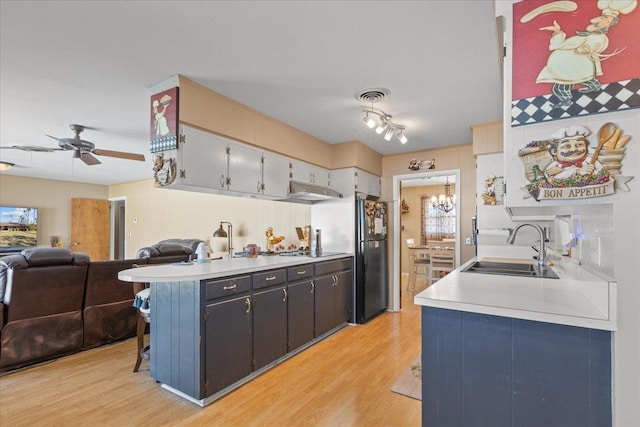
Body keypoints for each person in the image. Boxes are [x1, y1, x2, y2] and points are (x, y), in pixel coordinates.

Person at [536, 0, 637, 108]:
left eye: (604, 19)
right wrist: (558, 32)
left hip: (573, 66)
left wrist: (583, 48)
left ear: (607, 24)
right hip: (569, 66)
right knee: (569, 82)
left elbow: (561, 45)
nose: (595, 21)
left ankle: (572, 97)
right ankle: (582, 92)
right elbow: (563, 44)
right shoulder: (588, 36)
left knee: (564, 84)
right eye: (601, 18)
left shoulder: (593, 38)